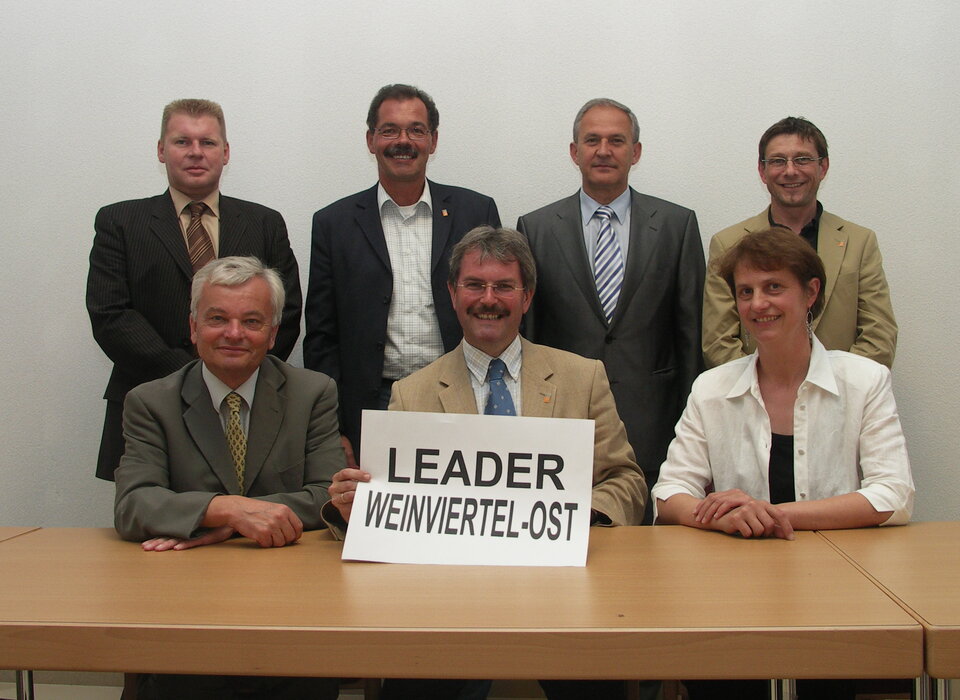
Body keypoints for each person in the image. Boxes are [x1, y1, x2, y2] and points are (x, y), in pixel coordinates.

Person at [327, 226, 646, 700]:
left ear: (527, 297)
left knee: (600, 685)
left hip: (562, 593)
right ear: (453, 294)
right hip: (447, 602)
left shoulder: (583, 377)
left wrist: (582, 516)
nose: (488, 299)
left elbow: (627, 480)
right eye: (475, 285)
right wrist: (351, 507)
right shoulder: (410, 394)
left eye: (504, 286)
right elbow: (386, 507)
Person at [656, 228, 912, 700]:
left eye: (774, 287)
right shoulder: (711, 387)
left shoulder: (865, 381)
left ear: (811, 292)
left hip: (836, 594)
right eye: (746, 292)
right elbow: (670, 494)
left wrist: (771, 514)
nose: (758, 304)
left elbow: (890, 495)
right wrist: (723, 518)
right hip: (733, 598)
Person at [114, 256, 341, 700]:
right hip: (185, 617)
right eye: (218, 318)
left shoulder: (314, 393)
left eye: (252, 321)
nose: (234, 333)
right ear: (194, 326)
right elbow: (132, 504)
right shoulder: (149, 402)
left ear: (273, 334)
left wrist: (227, 521)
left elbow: (326, 495)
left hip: (292, 615)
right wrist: (227, 509)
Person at [87, 98, 302, 482]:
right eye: (182, 141)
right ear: (161, 150)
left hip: (246, 404)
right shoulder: (119, 221)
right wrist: (191, 378)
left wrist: (233, 374)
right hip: (150, 401)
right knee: (153, 526)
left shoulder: (265, 223)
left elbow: (283, 315)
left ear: (226, 152)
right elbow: (110, 315)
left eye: (207, 142)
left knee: (245, 524)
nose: (195, 153)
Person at [517, 98, 704, 524]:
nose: (604, 150)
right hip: (564, 425)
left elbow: (690, 334)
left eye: (617, 140)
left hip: (654, 426)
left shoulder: (677, 226)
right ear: (574, 152)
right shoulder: (536, 228)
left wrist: (694, 431)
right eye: (593, 140)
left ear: (635, 152)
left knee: (653, 568)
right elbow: (529, 335)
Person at [304, 83, 500, 469]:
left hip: (463, 393)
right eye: (390, 130)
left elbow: (500, 310)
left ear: (433, 140)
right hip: (374, 403)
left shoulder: (475, 210)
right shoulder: (334, 223)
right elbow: (322, 335)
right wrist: (331, 427)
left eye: (416, 130)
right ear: (371, 140)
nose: (403, 141)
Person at [703, 116, 897, 369]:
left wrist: (826, 389)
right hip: (755, 400)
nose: (790, 170)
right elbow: (718, 342)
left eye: (803, 159)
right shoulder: (729, 243)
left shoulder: (860, 242)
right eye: (777, 161)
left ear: (823, 167)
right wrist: (766, 391)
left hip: (841, 399)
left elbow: (879, 337)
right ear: (762, 171)